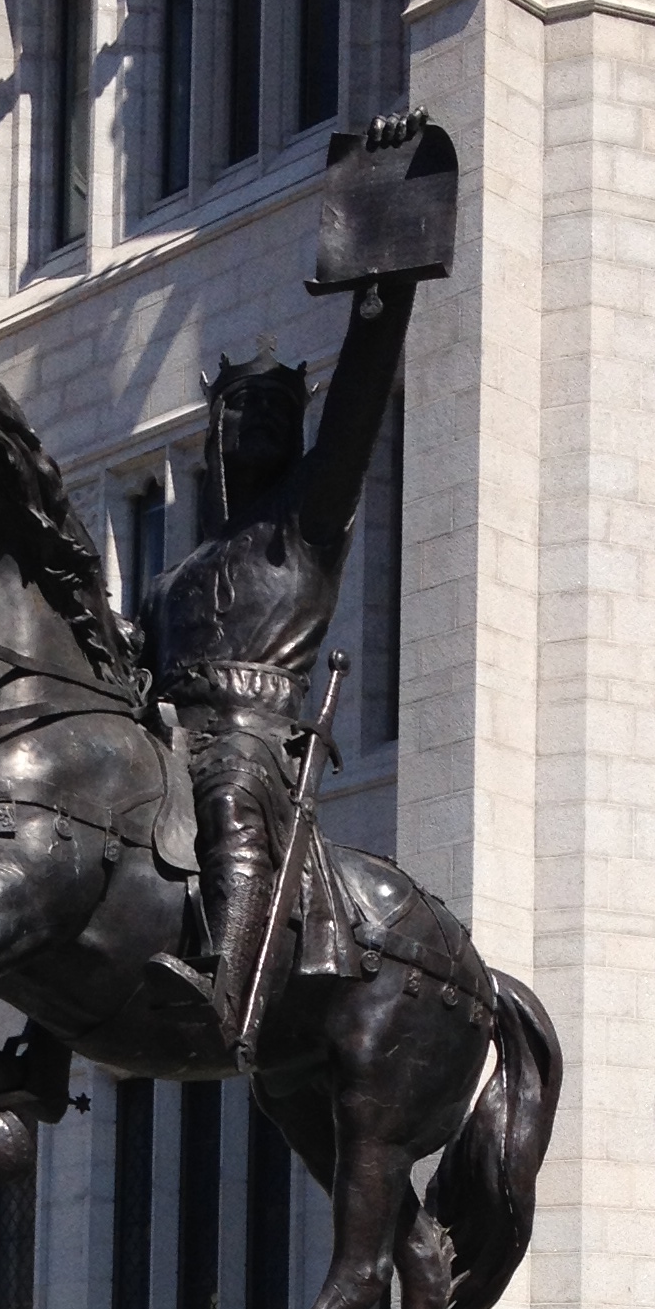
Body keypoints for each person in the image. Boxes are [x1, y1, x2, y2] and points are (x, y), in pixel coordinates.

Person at [142, 107, 430, 1059]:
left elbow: (359, 397)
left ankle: (225, 992)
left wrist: (383, 254)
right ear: (214, 433)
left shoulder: (305, 524)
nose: (257, 426)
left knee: (228, 790)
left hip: (253, 741)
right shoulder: (173, 579)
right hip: (164, 736)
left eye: (275, 412)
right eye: (240, 413)